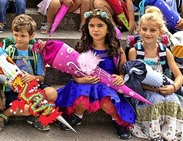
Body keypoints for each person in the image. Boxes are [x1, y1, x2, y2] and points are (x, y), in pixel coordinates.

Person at [55, 9, 134, 140]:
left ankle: (118, 121)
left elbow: (123, 69)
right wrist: (79, 80)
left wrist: (120, 77)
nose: (95, 29)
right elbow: (73, 68)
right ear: (87, 28)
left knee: (108, 101)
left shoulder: (116, 49)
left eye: (100, 26)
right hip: (86, 81)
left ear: (108, 29)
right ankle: (77, 116)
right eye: (92, 25)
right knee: (82, 97)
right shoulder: (82, 48)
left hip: (107, 83)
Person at [127, 7, 183, 140]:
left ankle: (171, 133)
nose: (148, 33)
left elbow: (179, 76)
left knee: (173, 101)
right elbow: (133, 79)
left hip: (165, 87)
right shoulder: (135, 51)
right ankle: (155, 133)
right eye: (144, 29)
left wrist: (173, 87)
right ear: (139, 30)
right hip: (143, 89)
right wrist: (152, 88)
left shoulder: (164, 51)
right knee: (155, 101)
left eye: (153, 30)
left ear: (160, 32)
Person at [0, 14, 57, 132]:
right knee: (27, 110)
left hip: (34, 87)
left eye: (23, 35)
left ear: (32, 36)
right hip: (15, 90)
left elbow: (41, 77)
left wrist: (33, 77)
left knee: (52, 93)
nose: (18, 39)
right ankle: (6, 113)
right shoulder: (8, 51)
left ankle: (37, 117)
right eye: (16, 35)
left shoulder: (35, 52)